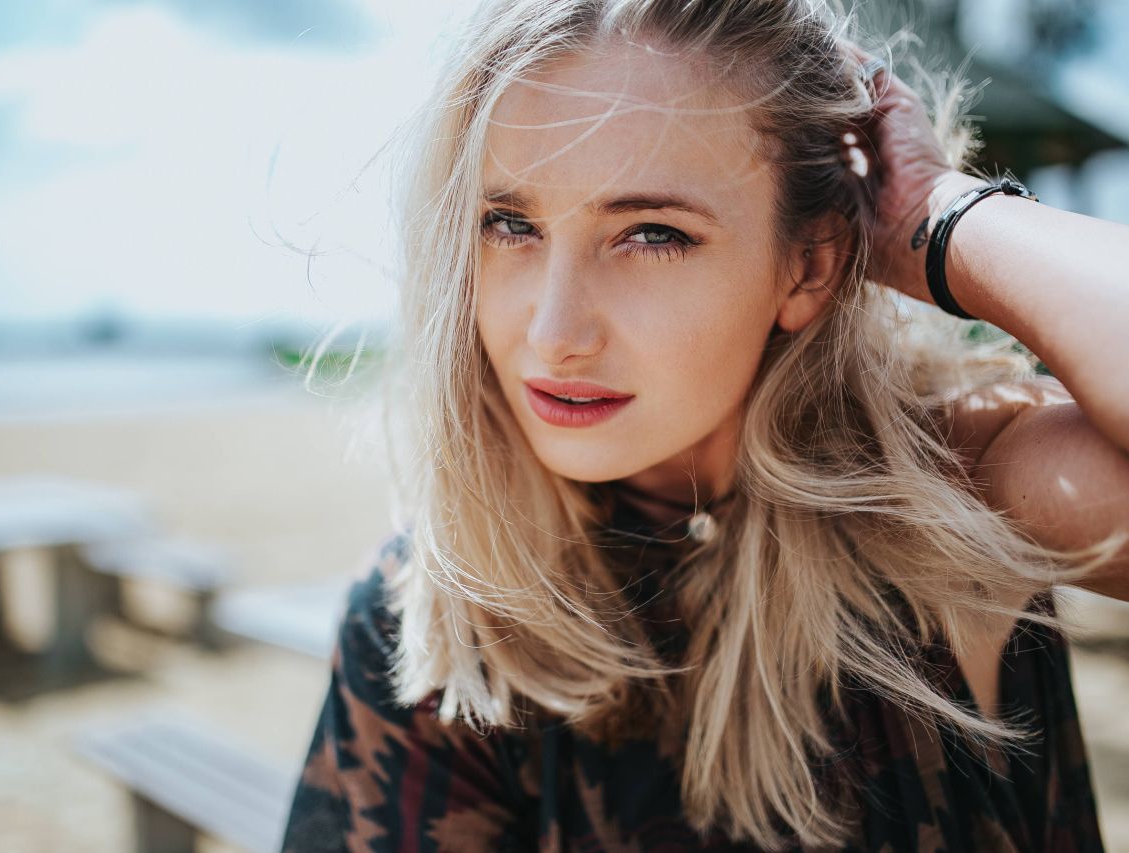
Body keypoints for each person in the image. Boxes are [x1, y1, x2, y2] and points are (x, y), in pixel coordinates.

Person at [279, 0, 1129, 849]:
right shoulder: (437, 615)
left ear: (808, 266)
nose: (552, 333)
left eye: (651, 234)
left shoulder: (942, 506)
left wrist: (940, 212)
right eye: (511, 225)